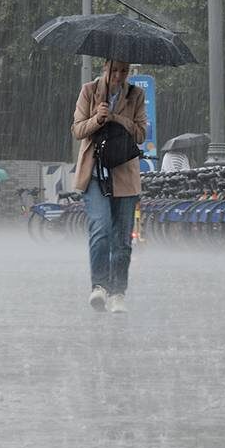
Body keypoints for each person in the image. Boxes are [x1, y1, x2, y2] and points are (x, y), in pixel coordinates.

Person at [71, 59, 147, 314]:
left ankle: (117, 292)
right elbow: (78, 129)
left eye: (124, 71)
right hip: (94, 173)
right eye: (114, 70)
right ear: (105, 67)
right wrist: (97, 119)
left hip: (124, 173)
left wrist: (117, 118)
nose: (119, 75)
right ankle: (99, 286)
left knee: (123, 240)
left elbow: (140, 134)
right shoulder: (89, 91)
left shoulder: (136, 95)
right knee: (100, 229)